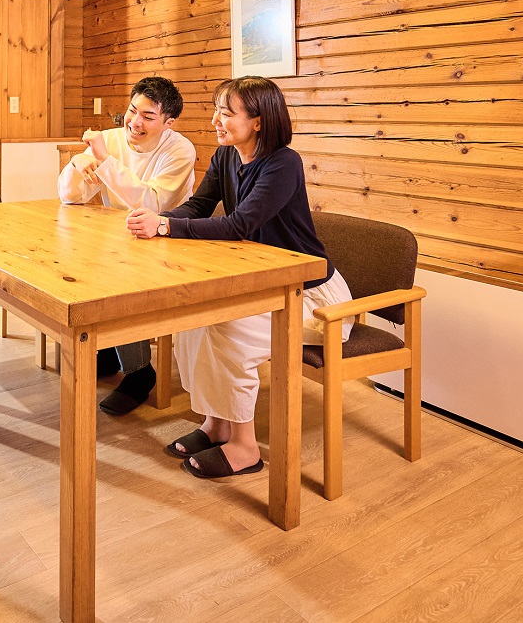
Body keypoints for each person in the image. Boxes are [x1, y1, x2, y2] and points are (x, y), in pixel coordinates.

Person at [126, 76, 353, 478]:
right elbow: (198, 206)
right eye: (217, 111)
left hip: (314, 297)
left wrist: (164, 227)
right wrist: (157, 218)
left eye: (226, 113)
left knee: (229, 328)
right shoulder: (226, 156)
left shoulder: (283, 163)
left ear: (258, 121)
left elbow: (239, 225)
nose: (215, 121)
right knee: (195, 320)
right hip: (267, 285)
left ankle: (245, 447)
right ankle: (215, 426)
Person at [60, 75, 196, 415]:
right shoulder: (110, 139)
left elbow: (152, 203)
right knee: (77, 258)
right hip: (121, 237)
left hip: (169, 239)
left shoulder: (179, 150)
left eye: (148, 116)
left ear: (168, 123)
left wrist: (105, 160)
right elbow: (70, 196)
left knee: (121, 274)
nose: (135, 122)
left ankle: (139, 371)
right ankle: (108, 350)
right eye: (133, 111)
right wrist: (77, 164)